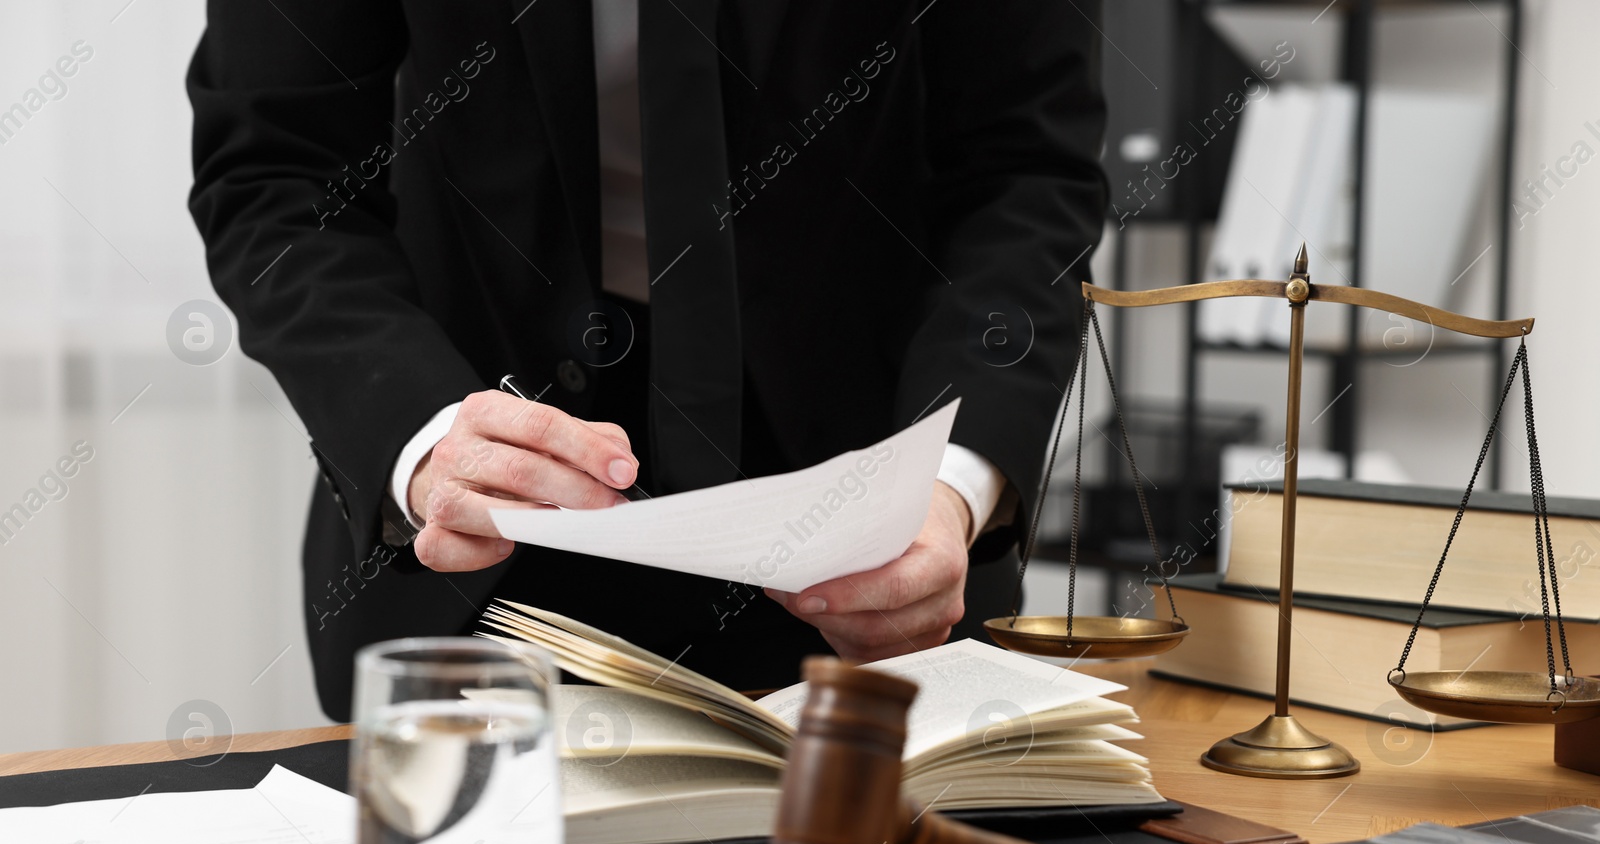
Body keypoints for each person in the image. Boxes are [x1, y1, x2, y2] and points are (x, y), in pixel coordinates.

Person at [186, 0, 1108, 721]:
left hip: (876, 546)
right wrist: (424, 437)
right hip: (488, 534)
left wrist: (949, 482)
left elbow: (1025, 170)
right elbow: (278, 176)